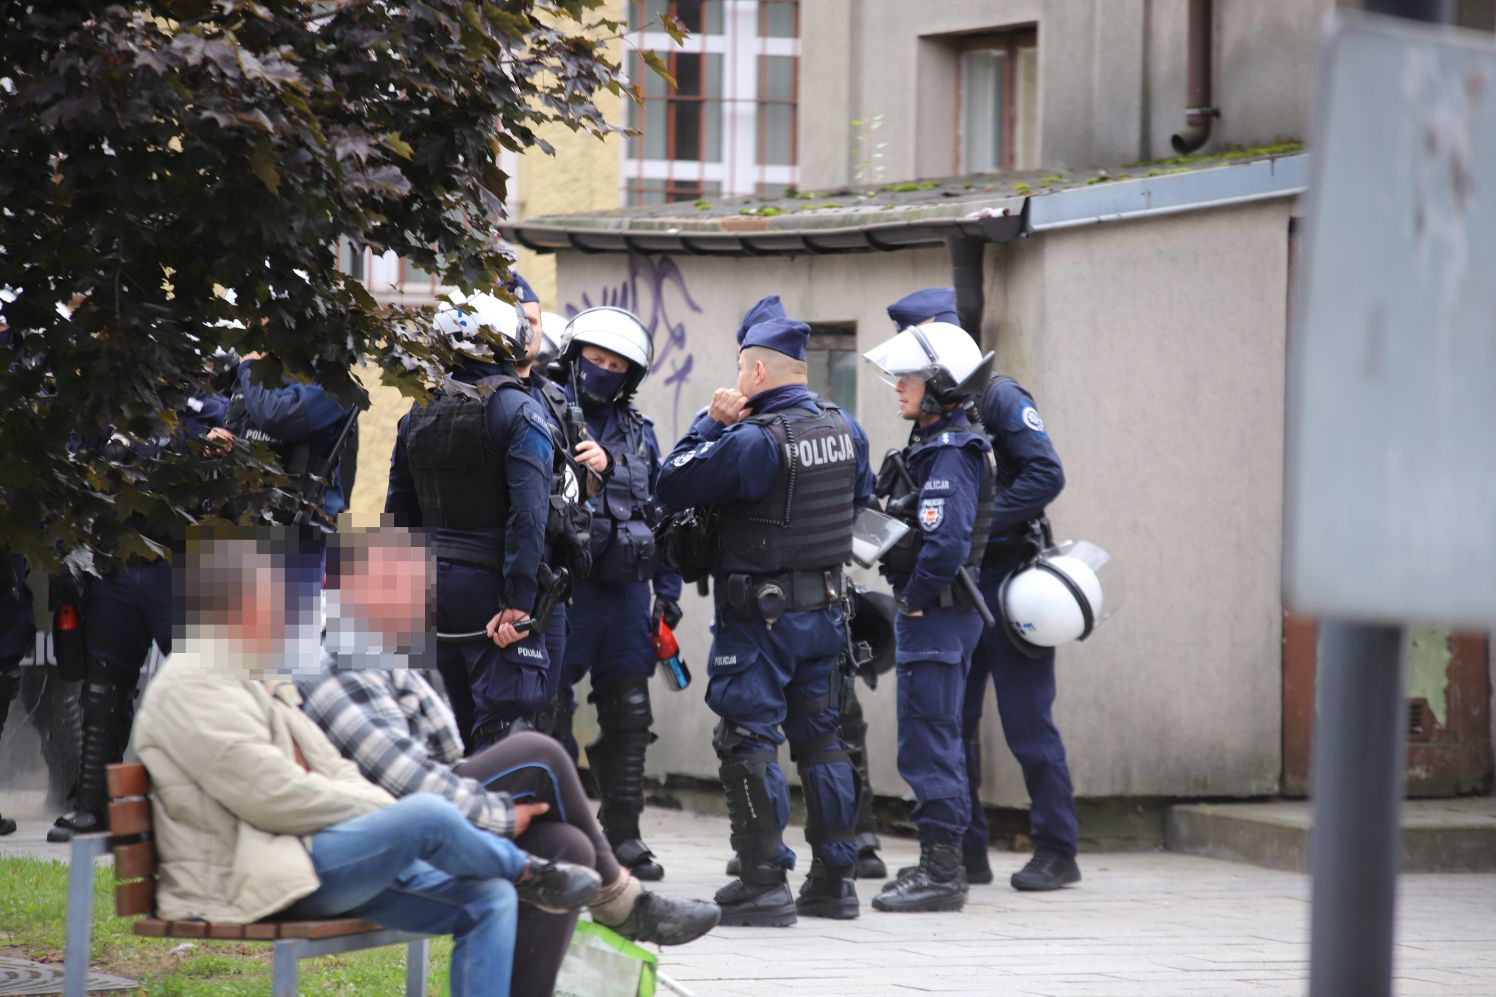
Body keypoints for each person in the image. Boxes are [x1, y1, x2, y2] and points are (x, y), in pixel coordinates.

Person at [130, 527, 602, 997]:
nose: (288, 611)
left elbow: (335, 771)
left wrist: (388, 814)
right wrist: (394, 817)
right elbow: (274, 795)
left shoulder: (254, 675)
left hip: (298, 856)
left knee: (488, 897)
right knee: (430, 814)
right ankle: (527, 872)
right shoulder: (197, 683)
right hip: (249, 876)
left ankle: (526, 876)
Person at [301, 527, 718, 995]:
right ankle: (623, 901)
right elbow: (407, 782)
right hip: (381, 829)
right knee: (537, 754)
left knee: (568, 849)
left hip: (423, 811)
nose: (423, 598)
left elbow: (443, 755)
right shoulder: (334, 661)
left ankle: (601, 904)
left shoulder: (389, 656)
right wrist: (499, 816)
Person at [656, 318, 873, 927]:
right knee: (824, 740)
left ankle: (763, 884)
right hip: (826, 611)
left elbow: (671, 482)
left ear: (754, 372)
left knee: (747, 739)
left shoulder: (754, 438)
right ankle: (836, 881)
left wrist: (710, 423)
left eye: (738, 370)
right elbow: (862, 503)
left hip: (761, 620)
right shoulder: (843, 427)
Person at [862, 319, 996, 914]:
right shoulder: (932, 445)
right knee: (933, 740)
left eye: (909, 377)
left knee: (928, 744)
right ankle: (945, 864)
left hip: (936, 615)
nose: (898, 385)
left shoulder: (952, 451)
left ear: (939, 384)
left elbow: (945, 545)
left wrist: (914, 596)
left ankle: (942, 873)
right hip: (937, 614)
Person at [386, 293, 555, 751]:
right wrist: (519, 599)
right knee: (504, 732)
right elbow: (529, 513)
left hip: (428, 595)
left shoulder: (416, 414)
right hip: (493, 596)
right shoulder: (520, 412)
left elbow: (398, 512)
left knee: (441, 730)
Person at [554, 306, 678, 882]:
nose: (603, 371)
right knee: (547, 708)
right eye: (595, 360)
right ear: (573, 356)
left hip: (625, 594)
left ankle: (624, 835)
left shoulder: (639, 432)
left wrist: (667, 595)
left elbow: (663, 510)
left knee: (630, 713)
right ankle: (557, 834)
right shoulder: (543, 411)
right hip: (564, 591)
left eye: (615, 365)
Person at [227, 351, 359, 523]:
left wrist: (250, 368)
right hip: (244, 517)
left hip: (298, 527)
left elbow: (278, 416)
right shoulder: (257, 367)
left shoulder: (332, 380)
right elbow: (239, 426)